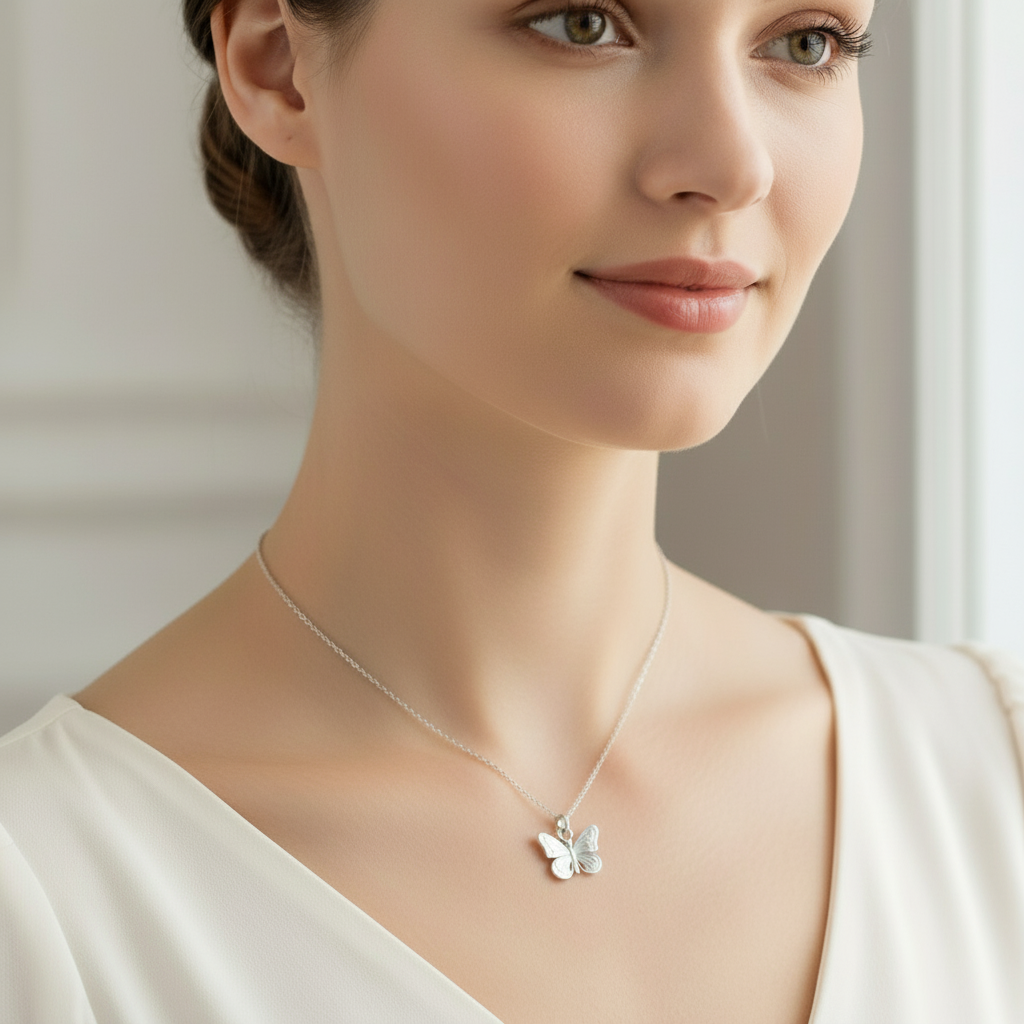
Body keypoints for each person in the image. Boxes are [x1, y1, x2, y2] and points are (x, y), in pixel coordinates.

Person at [2, 0, 1023, 1021]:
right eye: (581, 25)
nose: (730, 160)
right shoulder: (45, 905)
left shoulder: (995, 780)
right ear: (278, 68)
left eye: (806, 43)